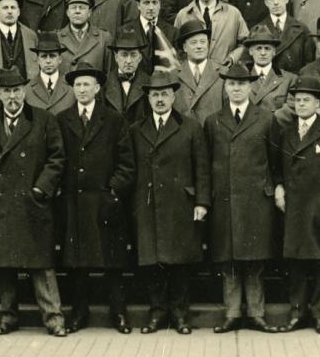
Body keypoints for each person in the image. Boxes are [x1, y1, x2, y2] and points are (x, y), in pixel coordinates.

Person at [0, 68, 68, 336]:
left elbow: (57, 159)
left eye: (16, 90)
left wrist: (40, 189)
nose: (12, 96)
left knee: (41, 264)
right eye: (6, 91)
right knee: (5, 265)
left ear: (24, 91)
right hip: (0, 204)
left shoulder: (44, 120)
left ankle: (54, 319)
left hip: (32, 202)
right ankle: (8, 317)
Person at [57, 65, 136, 333]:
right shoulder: (62, 119)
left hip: (105, 202)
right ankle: (79, 313)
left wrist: (112, 191)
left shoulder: (114, 120)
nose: (82, 90)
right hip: (74, 203)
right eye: (78, 85)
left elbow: (127, 164)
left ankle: (119, 313)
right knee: (77, 265)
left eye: (87, 85)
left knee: (112, 262)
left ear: (98, 88)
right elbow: (57, 159)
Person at [130, 70, 210, 333]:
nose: (160, 99)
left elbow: (202, 168)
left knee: (180, 263)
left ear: (174, 95)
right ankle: (157, 313)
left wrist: (201, 202)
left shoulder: (190, 127)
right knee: (152, 262)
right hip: (148, 204)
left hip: (180, 205)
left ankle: (180, 314)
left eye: (164, 94)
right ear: (148, 98)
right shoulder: (136, 129)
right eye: (155, 95)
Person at [270, 78, 320, 333]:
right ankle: (297, 313)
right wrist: (279, 188)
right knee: (296, 264)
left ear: (317, 103)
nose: (301, 104)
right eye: (297, 100)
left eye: (306, 100)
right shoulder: (285, 131)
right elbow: (276, 168)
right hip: (292, 208)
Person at [207, 64, 280, 332]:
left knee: (255, 260)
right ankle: (233, 313)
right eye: (231, 84)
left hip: (255, 201)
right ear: (225, 88)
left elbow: (275, 162)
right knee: (229, 260)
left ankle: (257, 313)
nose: (236, 88)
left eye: (241, 84)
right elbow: (207, 164)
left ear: (250, 87)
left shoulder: (266, 119)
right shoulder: (213, 121)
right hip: (225, 200)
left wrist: (274, 190)